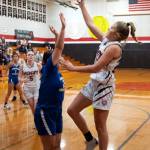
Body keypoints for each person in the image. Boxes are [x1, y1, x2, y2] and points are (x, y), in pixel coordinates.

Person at [60, 0, 139, 150]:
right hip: (94, 83)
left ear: (115, 34)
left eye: (110, 27)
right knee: (72, 110)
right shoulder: (107, 39)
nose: (107, 28)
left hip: (104, 87)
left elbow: (96, 67)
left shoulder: (114, 48)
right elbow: (90, 24)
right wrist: (82, 5)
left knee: (100, 126)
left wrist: (73, 68)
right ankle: (90, 139)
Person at [34, 13, 65, 150]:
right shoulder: (49, 69)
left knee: (57, 145)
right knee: (50, 147)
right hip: (45, 112)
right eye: (56, 57)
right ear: (49, 60)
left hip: (57, 111)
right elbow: (58, 48)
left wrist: (57, 35)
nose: (59, 57)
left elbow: (57, 49)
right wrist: (63, 28)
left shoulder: (56, 72)